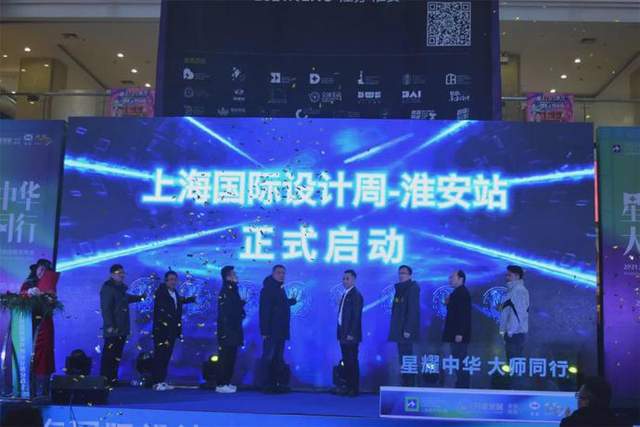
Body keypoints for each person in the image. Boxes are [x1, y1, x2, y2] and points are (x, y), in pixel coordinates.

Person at [99, 264, 145, 387]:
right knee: (109, 355)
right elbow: (106, 308)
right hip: (113, 328)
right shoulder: (108, 288)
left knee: (117, 354)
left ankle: (113, 379)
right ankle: (105, 379)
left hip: (122, 327)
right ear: (112, 274)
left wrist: (140, 298)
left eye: (123, 273)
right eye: (119, 273)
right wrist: (109, 325)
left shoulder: (121, 288)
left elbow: (126, 299)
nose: (122, 275)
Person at [19, 259, 58, 398]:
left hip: (44, 323)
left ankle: (43, 390)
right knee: (29, 353)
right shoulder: (28, 283)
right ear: (35, 270)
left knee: (45, 353)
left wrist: (48, 298)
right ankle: (28, 389)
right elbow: (20, 297)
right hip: (28, 323)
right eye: (40, 269)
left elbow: (54, 304)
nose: (42, 272)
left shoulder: (50, 286)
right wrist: (28, 293)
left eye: (45, 270)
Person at [151, 270, 196, 391]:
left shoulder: (174, 293)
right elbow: (163, 310)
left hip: (171, 330)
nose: (173, 282)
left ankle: (161, 380)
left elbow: (177, 302)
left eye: (175, 279)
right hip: (162, 330)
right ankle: (156, 381)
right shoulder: (161, 293)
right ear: (166, 281)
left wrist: (190, 299)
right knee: (160, 355)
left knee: (166, 355)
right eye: (171, 279)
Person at [259, 264, 297, 393]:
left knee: (278, 357)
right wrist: (264, 330)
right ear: (273, 273)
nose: (282, 275)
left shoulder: (279, 288)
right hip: (271, 330)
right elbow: (264, 311)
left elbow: (279, 305)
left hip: (281, 330)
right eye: (279, 272)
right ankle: (266, 384)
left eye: (283, 273)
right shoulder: (268, 289)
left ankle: (275, 383)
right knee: (269, 357)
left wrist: (290, 302)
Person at [388, 265, 420, 387]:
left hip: (406, 331)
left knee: (407, 357)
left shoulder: (412, 288)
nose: (401, 275)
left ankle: (409, 385)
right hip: (399, 330)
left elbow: (413, 310)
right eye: (400, 273)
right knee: (403, 357)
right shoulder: (400, 288)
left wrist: (408, 329)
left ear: (410, 275)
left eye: (404, 273)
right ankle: (405, 383)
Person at [216, 265, 246, 394]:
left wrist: (240, 305)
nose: (236, 276)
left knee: (231, 356)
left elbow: (234, 308)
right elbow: (227, 311)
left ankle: (227, 381)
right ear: (227, 277)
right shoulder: (226, 291)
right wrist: (239, 306)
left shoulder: (233, 289)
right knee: (225, 357)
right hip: (227, 329)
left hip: (233, 329)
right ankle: (221, 383)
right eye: (233, 274)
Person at [336, 269, 364, 397]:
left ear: (353, 280)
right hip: (343, 333)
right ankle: (347, 386)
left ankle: (353, 388)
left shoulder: (356, 295)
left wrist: (351, 333)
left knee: (352, 361)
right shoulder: (346, 294)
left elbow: (356, 316)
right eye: (343, 278)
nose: (345, 281)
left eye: (347, 278)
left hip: (350, 335)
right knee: (347, 361)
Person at [442, 270, 472, 388]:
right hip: (455, 333)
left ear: (461, 279)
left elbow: (463, 314)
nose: (450, 279)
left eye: (452, 277)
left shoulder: (462, 293)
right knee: (458, 360)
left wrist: (460, 333)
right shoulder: (457, 292)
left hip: (458, 335)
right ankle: (460, 384)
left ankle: (463, 386)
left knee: (460, 360)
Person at [560, 377, 630, 426]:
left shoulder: (571, 423)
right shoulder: (622, 423)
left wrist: (568, 420)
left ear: (588, 400)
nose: (578, 401)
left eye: (580, 397)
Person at [499, 265, 530, 362]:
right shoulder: (512, 290)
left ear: (517, 276)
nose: (507, 277)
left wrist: (511, 331)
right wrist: (504, 330)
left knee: (514, 364)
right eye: (506, 275)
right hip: (512, 334)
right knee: (512, 363)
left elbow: (519, 313)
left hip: (515, 334)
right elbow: (508, 312)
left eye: (509, 275)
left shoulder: (519, 290)